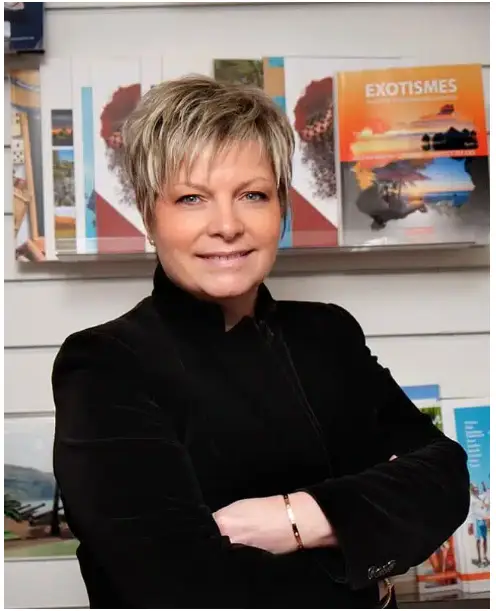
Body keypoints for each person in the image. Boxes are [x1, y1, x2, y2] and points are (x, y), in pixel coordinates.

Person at [52, 75, 470, 609]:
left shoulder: (328, 332)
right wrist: (368, 542)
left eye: (252, 195)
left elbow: (445, 475)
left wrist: (299, 518)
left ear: (282, 208)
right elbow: (175, 587)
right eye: (191, 198)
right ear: (148, 215)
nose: (227, 225)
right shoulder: (105, 364)